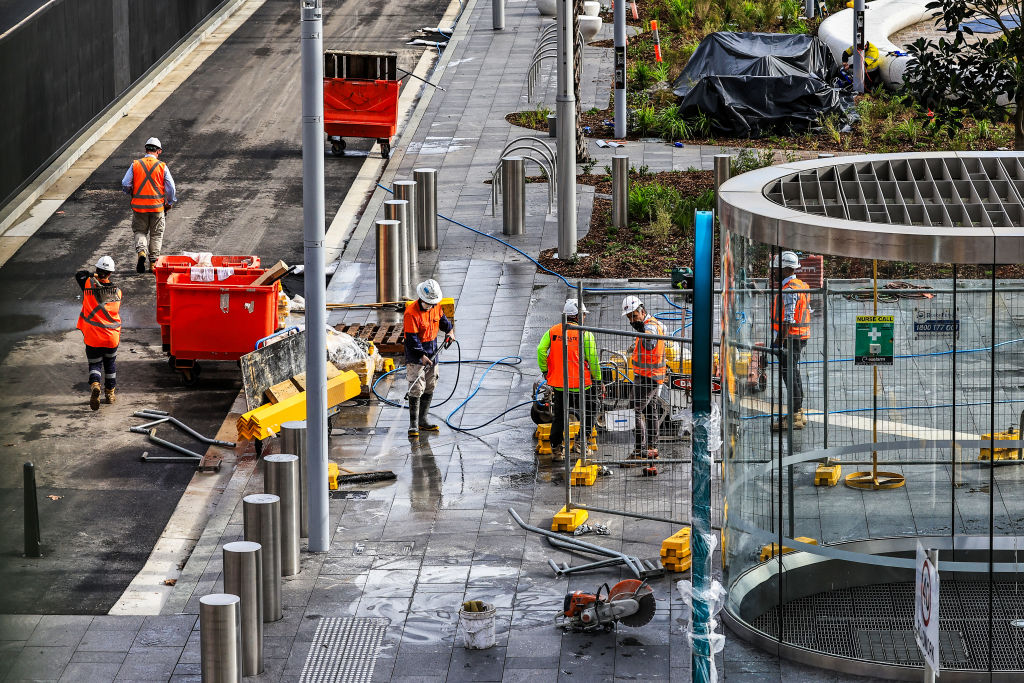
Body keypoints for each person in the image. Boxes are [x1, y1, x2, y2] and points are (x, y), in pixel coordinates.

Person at [536, 299, 602, 461]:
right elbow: (593, 360)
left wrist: (545, 370)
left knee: (559, 416)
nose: (585, 318)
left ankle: (557, 450)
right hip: (582, 385)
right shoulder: (585, 334)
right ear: (578, 316)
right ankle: (581, 443)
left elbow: (540, 350)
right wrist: (599, 380)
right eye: (584, 315)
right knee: (590, 410)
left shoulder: (553, 331)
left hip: (560, 384)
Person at [404, 278, 453, 438]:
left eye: (432, 303)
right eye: (427, 303)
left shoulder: (436, 306)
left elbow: (443, 322)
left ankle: (423, 419)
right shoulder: (411, 313)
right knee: (417, 387)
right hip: (416, 354)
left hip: (432, 350)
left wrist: (450, 331)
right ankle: (413, 424)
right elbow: (412, 339)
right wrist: (421, 355)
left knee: (430, 384)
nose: (430, 306)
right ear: (421, 299)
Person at [622, 295, 669, 459]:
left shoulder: (650, 328)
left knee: (632, 411)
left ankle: (640, 450)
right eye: (629, 317)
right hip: (653, 376)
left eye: (634, 316)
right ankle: (652, 447)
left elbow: (650, 343)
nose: (631, 321)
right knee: (651, 410)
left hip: (647, 377)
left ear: (642, 312)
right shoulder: (655, 323)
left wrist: (642, 332)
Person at [769, 250, 811, 430]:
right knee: (793, 372)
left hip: (791, 337)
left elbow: (788, 319)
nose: (774, 272)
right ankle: (798, 412)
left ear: (786, 270)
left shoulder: (789, 290)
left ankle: (794, 416)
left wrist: (779, 341)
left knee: (789, 374)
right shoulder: (800, 285)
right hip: (798, 336)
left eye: (776, 269)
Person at [122, 137, 176, 273]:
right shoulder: (162, 166)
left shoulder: (136, 164)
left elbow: (125, 183)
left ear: (146, 149)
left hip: (139, 208)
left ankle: (141, 253)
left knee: (140, 231)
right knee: (156, 235)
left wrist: (131, 192)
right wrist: (169, 203)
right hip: (157, 207)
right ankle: (153, 263)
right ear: (159, 151)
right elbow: (171, 188)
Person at [75, 256, 123, 411]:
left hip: (93, 337)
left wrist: (92, 274)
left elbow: (79, 274)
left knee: (95, 363)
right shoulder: (117, 292)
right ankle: (110, 394)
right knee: (110, 365)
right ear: (110, 273)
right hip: (111, 337)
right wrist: (102, 275)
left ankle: (95, 384)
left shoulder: (87, 284)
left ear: (97, 270)